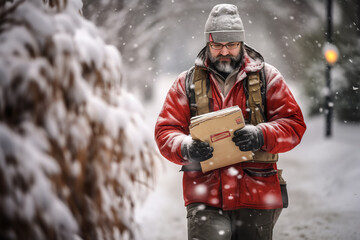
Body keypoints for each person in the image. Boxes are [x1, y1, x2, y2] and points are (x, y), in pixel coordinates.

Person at [154, 3, 306, 240]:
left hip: (257, 195)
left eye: (231, 44)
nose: (224, 52)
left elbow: (294, 124)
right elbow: (166, 131)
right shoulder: (185, 83)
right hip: (205, 198)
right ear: (208, 43)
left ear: (241, 43)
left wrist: (261, 134)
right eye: (217, 45)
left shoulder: (269, 78)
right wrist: (186, 146)